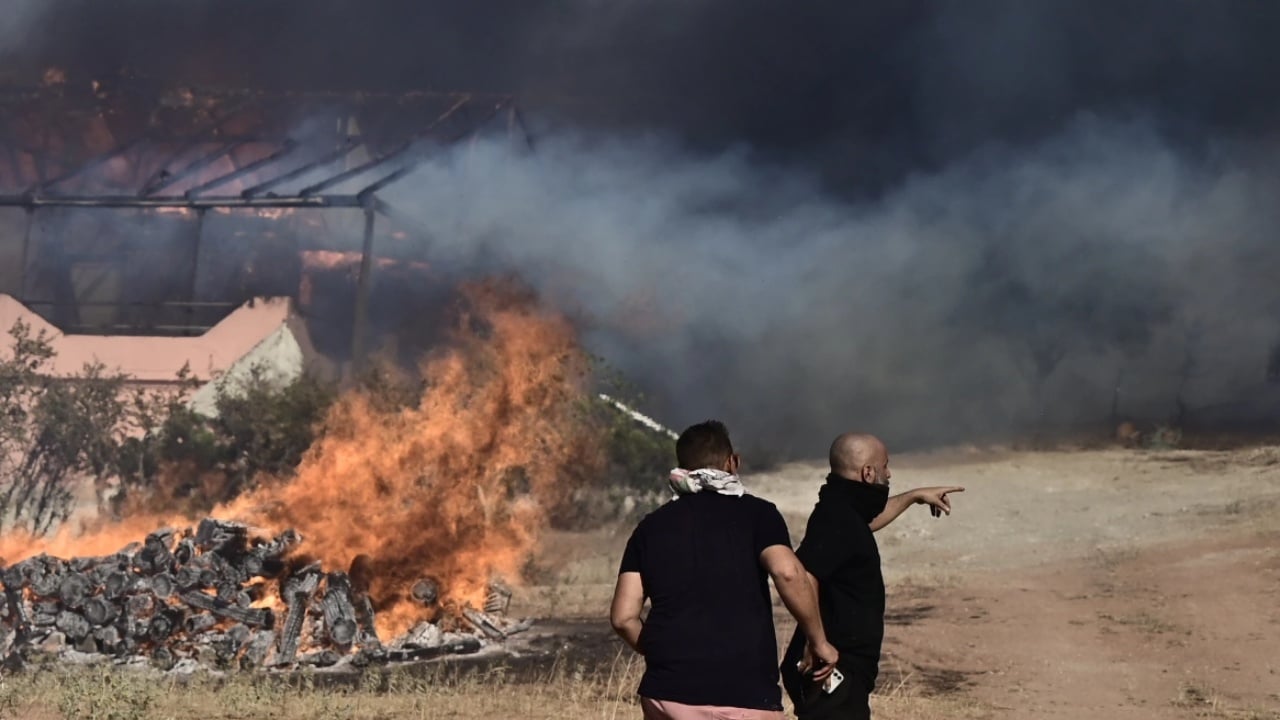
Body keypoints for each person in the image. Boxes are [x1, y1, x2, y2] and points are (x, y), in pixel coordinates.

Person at [610, 420, 840, 720]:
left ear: (683, 467)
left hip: (666, 694)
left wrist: (666, 655)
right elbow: (788, 572)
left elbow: (623, 617)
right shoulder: (759, 514)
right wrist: (818, 640)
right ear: (733, 462)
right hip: (744, 695)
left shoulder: (649, 527)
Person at [780, 433, 964, 720]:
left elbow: (864, 524)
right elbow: (806, 574)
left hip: (841, 668)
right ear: (868, 472)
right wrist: (815, 641)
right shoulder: (836, 518)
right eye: (885, 466)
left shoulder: (842, 511)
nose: (889, 473)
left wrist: (915, 496)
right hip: (833, 667)